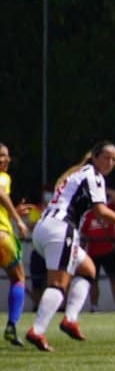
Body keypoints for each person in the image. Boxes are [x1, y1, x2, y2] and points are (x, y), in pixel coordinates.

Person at [25, 141, 115, 351]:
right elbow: (101, 211)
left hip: (45, 229)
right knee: (59, 284)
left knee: (88, 269)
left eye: (114, 159)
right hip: (61, 229)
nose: (110, 162)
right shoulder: (93, 175)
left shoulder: (79, 172)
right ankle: (37, 330)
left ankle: (70, 319)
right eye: (106, 157)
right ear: (95, 157)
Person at [0, 142, 30, 345]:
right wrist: (19, 221)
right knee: (18, 277)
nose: (7, 159)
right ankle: (12, 324)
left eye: (7, 155)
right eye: (2, 155)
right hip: (2, 236)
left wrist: (13, 214)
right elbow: (1, 193)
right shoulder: (3, 177)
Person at [80, 188, 115, 312]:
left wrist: (100, 188)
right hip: (93, 252)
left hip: (108, 250)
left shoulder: (109, 209)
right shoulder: (87, 215)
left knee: (114, 279)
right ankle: (94, 307)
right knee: (93, 281)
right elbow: (84, 235)